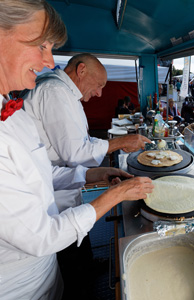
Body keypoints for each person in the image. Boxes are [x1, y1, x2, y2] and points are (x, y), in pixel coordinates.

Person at [0, 1, 154, 299]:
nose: (48, 61)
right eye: (41, 46)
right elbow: (41, 236)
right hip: (19, 287)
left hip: (45, 273)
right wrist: (116, 194)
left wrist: (92, 173)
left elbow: (42, 172)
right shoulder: (54, 91)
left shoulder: (12, 112)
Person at [23, 53, 150, 169]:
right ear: (81, 70)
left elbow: (82, 141)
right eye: (99, 85)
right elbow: (75, 154)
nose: (99, 94)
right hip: (47, 181)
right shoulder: (54, 91)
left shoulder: (64, 92)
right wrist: (120, 142)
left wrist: (117, 143)